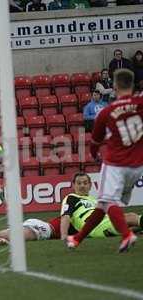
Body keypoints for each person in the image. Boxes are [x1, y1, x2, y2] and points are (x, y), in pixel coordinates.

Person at [66, 69, 143, 252]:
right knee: (101, 204)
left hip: (116, 164)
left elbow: (95, 142)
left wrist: (94, 155)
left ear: (114, 87)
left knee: (108, 201)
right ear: (132, 85)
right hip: (138, 166)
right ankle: (77, 239)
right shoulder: (141, 103)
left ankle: (126, 235)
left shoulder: (107, 111)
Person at [61, 173, 143, 240]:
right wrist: (64, 236)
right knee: (130, 217)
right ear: (73, 185)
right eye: (79, 183)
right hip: (95, 226)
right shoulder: (71, 198)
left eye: (85, 183)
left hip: (104, 222)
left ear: (90, 185)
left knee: (134, 226)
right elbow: (66, 216)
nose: (82, 186)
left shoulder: (94, 200)